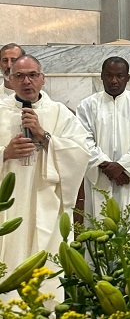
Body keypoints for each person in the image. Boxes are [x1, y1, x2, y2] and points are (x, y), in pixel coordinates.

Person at [0, 55, 89, 298]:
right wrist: (5, 154)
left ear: (43, 79)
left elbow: (81, 153)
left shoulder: (60, 113)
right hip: (9, 206)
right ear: (10, 80)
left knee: (46, 272)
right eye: (19, 76)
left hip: (46, 203)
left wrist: (44, 136)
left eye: (32, 75)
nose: (26, 81)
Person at [76, 56, 130, 218]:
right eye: (109, 75)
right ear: (101, 76)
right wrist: (106, 165)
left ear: (127, 78)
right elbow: (82, 140)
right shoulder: (87, 105)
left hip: (129, 177)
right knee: (100, 224)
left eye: (119, 76)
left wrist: (123, 166)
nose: (114, 80)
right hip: (100, 177)